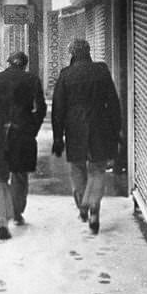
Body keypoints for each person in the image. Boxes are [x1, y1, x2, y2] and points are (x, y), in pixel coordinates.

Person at [51, 38, 122, 235]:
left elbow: (58, 108)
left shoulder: (66, 74)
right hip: (100, 126)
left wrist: (58, 137)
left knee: (77, 167)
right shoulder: (101, 70)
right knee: (98, 169)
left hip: (74, 128)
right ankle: (93, 210)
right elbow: (113, 102)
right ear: (89, 51)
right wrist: (117, 130)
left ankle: (83, 204)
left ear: (72, 54)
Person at [0, 51, 47, 241]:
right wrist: (33, 128)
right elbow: (41, 109)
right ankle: (16, 213)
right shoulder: (32, 80)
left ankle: (1, 220)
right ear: (25, 65)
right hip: (23, 134)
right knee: (20, 175)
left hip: (0, 134)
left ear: (8, 63)